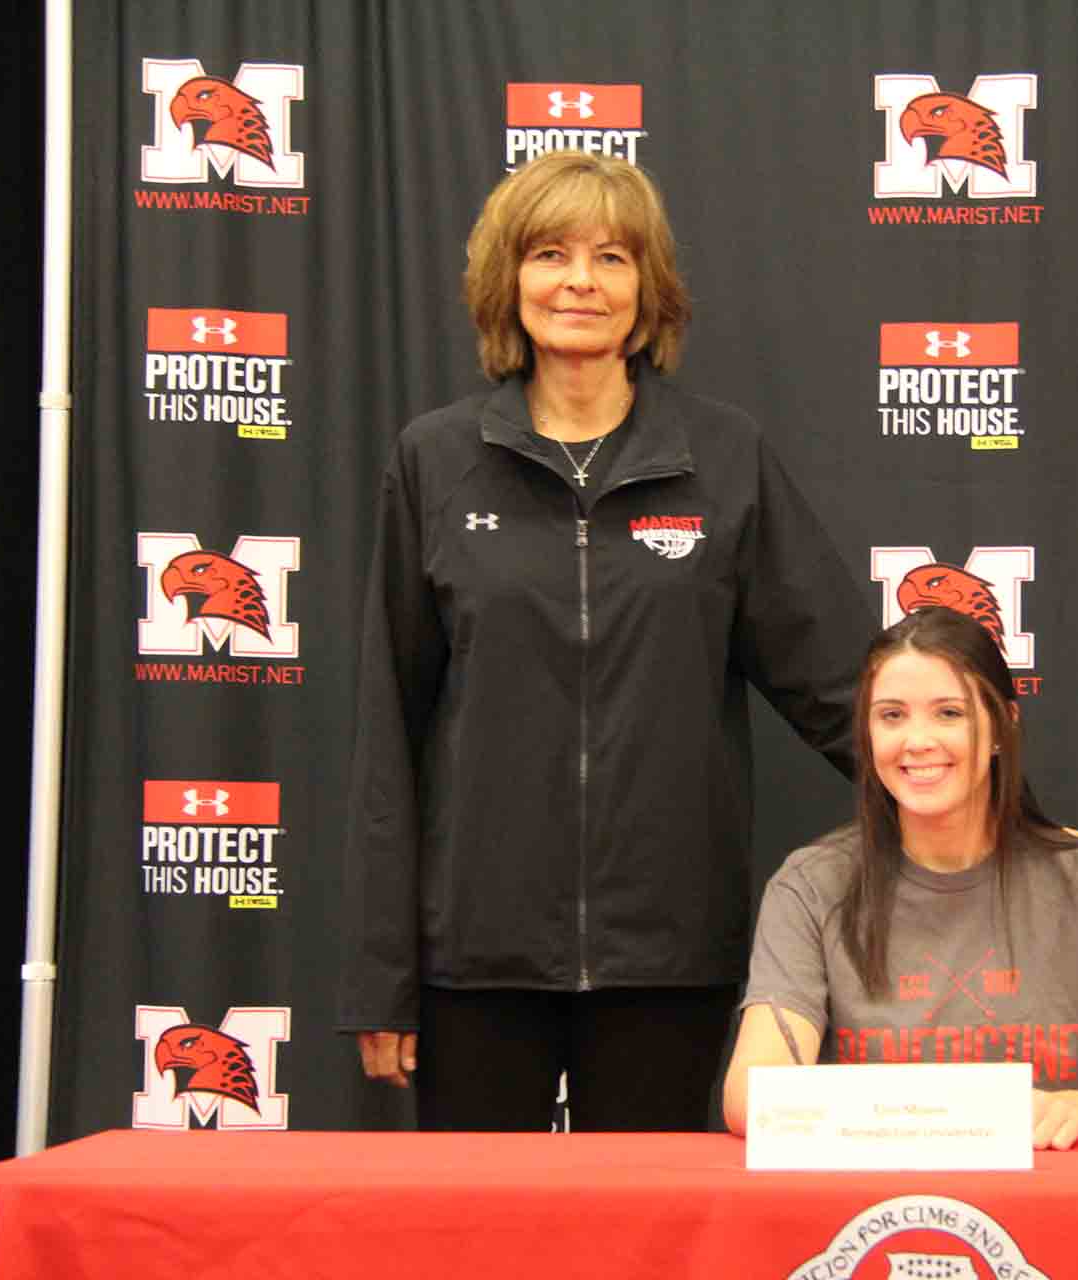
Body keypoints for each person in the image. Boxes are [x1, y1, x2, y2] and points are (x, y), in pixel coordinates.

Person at [337, 151, 869, 1131]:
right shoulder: (436, 461)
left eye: (612, 257)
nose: (580, 280)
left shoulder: (724, 458)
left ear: (646, 289)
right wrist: (382, 974)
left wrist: (1008, 821)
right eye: (551, 253)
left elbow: (844, 688)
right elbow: (390, 730)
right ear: (509, 280)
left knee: (649, 1218)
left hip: (668, 954)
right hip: (476, 959)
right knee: (480, 1217)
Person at [723, 607, 1078, 1150]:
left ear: (1002, 726)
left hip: (1043, 1191)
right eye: (891, 716)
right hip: (873, 1192)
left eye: (949, 713)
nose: (917, 740)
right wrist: (937, 1117)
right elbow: (751, 1098)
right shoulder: (810, 886)